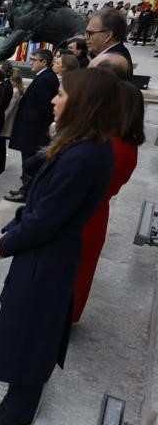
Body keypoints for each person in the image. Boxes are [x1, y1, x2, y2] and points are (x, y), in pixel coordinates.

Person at [0, 67, 119, 425]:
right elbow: (36, 173)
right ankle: (10, 408)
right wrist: (56, 140)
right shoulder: (77, 146)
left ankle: (15, 420)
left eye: (62, 95)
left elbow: (48, 215)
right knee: (22, 332)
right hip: (43, 253)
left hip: (47, 258)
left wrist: (9, 241)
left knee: (31, 338)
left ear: (81, 103)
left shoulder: (86, 156)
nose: (54, 99)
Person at [73, 57, 143, 322]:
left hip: (84, 215)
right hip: (96, 214)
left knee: (74, 271)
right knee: (82, 271)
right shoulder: (127, 145)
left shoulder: (108, 146)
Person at [5, 50, 58, 203]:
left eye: (34, 59)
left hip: (33, 131)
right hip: (31, 128)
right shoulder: (43, 76)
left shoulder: (46, 79)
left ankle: (27, 192)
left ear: (44, 62)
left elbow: (43, 108)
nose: (31, 62)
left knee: (29, 162)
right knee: (27, 161)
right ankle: (25, 188)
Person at [84, 7, 133, 74]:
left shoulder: (108, 63)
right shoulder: (119, 51)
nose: (85, 37)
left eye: (90, 33)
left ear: (108, 36)